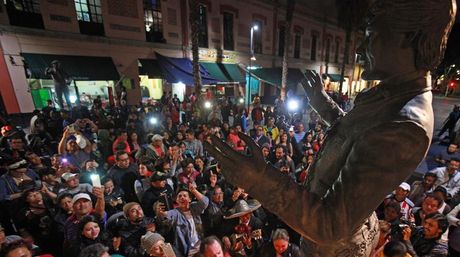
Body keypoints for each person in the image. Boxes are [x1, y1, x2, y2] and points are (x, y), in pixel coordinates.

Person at [203, 0, 457, 255]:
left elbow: (331, 224)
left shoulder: (404, 126)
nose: (360, 48)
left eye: (371, 37)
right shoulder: (389, 99)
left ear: (408, 38)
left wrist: (259, 180)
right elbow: (356, 138)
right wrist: (322, 103)